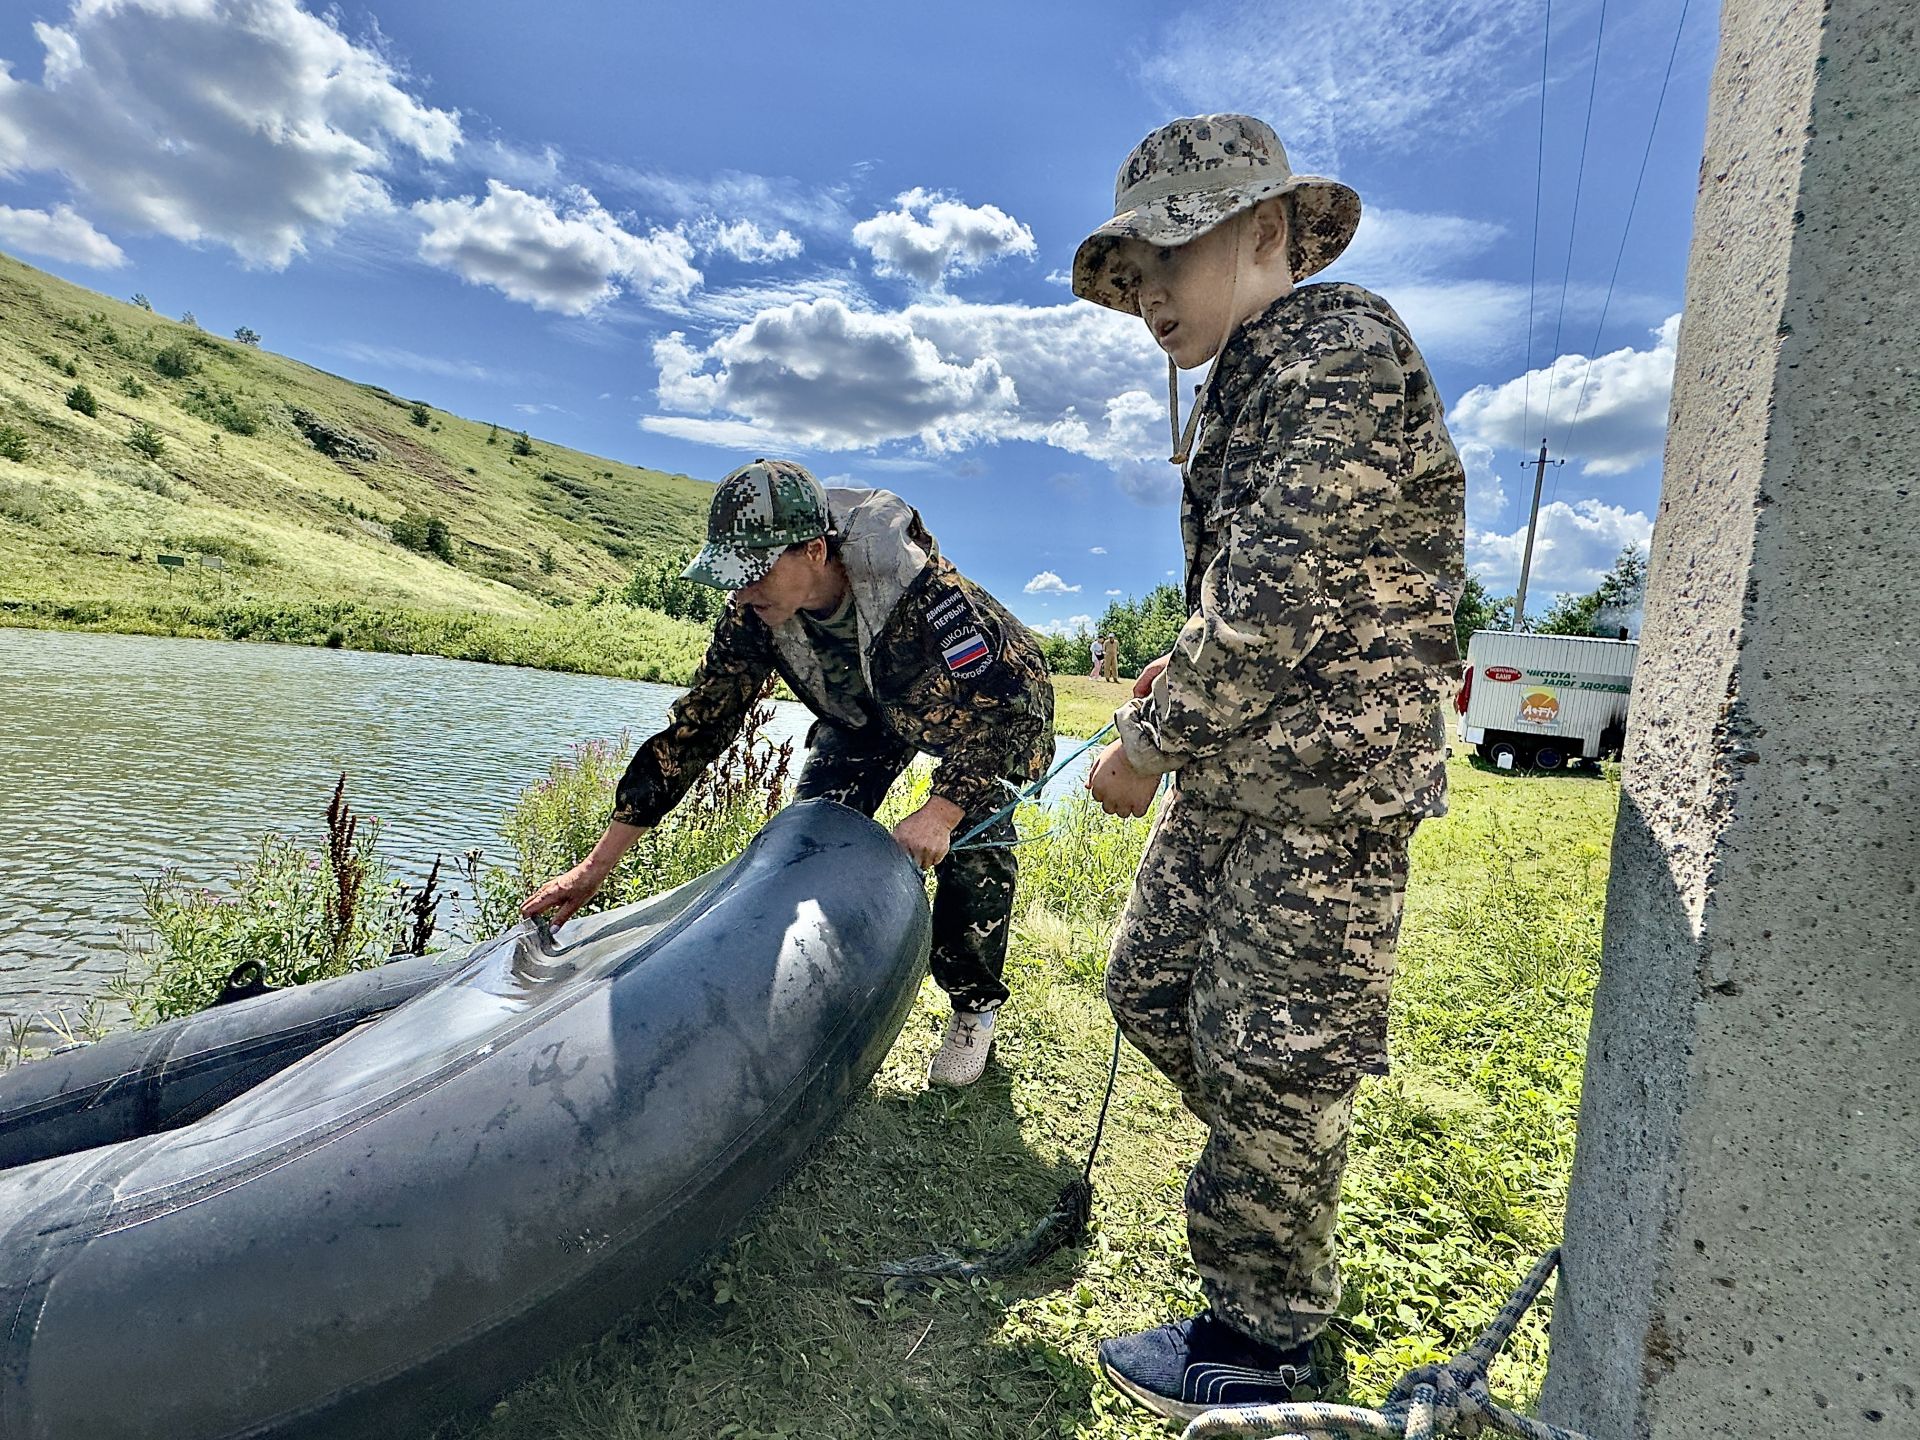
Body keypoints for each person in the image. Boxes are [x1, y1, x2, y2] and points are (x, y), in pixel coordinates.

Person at [1072, 114, 1466, 1418]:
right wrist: (1173, 682)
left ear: (1261, 234)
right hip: (1239, 773)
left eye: (1162, 266)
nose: (1144, 302)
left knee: (1266, 1052)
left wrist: (1145, 743)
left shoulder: (1339, 346)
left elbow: (1284, 591)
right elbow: (1242, 594)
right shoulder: (1249, 375)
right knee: (1150, 987)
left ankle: (1260, 1340)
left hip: (1328, 793)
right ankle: (1284, 1150)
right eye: (1129, 279)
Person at [522, 459, 1055, 1088]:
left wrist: (941, 811)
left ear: (813, 549)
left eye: (755, 571)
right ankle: (817, 985)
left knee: (974, 845)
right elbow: (695, 731)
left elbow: (1021, 707)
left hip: (970, 719)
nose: (742, 590)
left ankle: (972, 1007)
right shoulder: (754, 614)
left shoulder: (926, 596)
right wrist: (595, 868)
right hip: (861, 724)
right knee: (809, 842)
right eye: (732, 574)